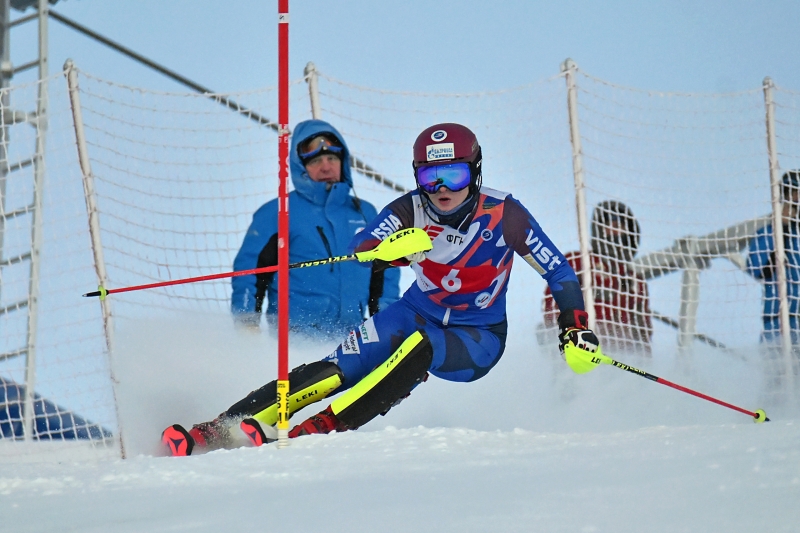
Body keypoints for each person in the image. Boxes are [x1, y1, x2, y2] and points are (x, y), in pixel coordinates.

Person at [162, 122, 599, 456]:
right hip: (415, 310)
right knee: (339, 365)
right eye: (431, 178)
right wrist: (392, 250)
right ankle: (219, 427)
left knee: (419, 348)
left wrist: (573, 326)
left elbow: (557, 270)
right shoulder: (409, 207)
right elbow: (362, 247)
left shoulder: (505, 214)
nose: (442, 190)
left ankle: (321, 428)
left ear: (475, 172)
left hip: (477, 337)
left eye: (453, 175)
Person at [230, 119, 400, 339]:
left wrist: (386, 323)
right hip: (294, 342)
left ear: (343, 162)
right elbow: (250, 270)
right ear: (301, 167)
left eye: (331, 158)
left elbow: (386, 272)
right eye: (316, 161)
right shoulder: (279, 212)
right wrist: (246, 324)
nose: (326, 166)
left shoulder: (365, 213)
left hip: (353, 343)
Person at [542, 201, 652, 355]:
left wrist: (644, 360)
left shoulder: (635, 280)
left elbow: (642, 329)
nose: (615, 231)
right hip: (580, 348)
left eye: (620, 226)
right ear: (600, 229)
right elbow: (552, 305)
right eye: (610, 225)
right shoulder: (578, 262)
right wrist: (565, 336)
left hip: (620, 356)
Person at [747, 169, 800, 346]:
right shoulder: (767, 233)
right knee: (779, 371)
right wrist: (783, 228)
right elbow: (759, 270)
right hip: (779, 325)